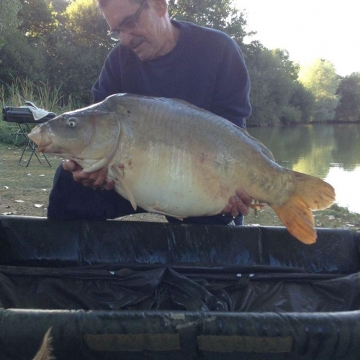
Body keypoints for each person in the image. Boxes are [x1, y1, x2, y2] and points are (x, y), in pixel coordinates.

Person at [47, 0, 253, 225]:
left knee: (212, 227)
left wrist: (239, 188)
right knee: (68, 184)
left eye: (129, 22)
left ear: (159, 5)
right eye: (117, 31)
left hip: (197, 182)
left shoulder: (218, 49)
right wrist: (87, 169)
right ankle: (86, 260)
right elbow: (96, 129)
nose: (125, 39)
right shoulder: (118, 61)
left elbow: (234, 135)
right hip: (131, 179)